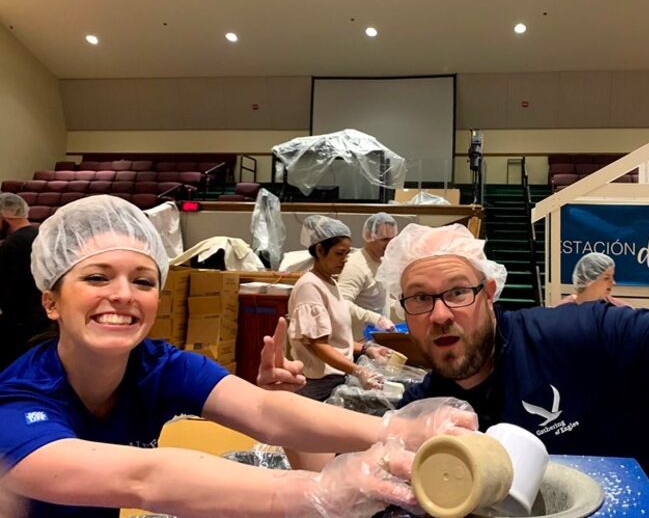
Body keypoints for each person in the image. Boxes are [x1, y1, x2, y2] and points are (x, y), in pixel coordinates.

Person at [0, 196, 476, 518]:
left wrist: (398, 430)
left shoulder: (157, 366)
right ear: (51, 300)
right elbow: (143, 479)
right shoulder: (16, 400)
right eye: (98, 278)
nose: (123, 295)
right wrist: (315, 493)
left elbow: (264, 410)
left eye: (143, 281)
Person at [372, 223, 649, 518]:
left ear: (490, 291)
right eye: (419, 298)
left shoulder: (580, 336)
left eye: (458, 292)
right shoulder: (425, 418)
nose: (440, 314)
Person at [288, 215, 389, 402]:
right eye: (339, 253)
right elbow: (318, 344)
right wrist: (358, 370)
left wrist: (366, 349)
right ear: (319, 250)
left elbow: (335, 338)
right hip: (317, 383)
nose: (345, 259)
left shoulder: (331, 283)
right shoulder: (310, 286)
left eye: (347, 253)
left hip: (336, 376)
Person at [0, 193, 51, 370]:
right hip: (45, 316)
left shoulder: (12, 244)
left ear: (4, 217)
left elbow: (7, 289)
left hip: (20, 322)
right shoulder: (42, 236)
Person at [558, 251, 649, 312]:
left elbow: (643, 325)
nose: (613, 283)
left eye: (613, 277)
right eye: (606, 278)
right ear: (588, 280)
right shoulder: (562, 311)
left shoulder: (618, 308)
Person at [339, 213, 401, 343]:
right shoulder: (355, 266)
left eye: (392, 239)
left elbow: (376, 297)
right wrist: (375, 319)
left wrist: (399, 306)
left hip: (376, 341)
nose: (389, 245)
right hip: (357, 344)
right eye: (384, 239)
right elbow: (342, 303)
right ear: (369, 237)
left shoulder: (382, 261)